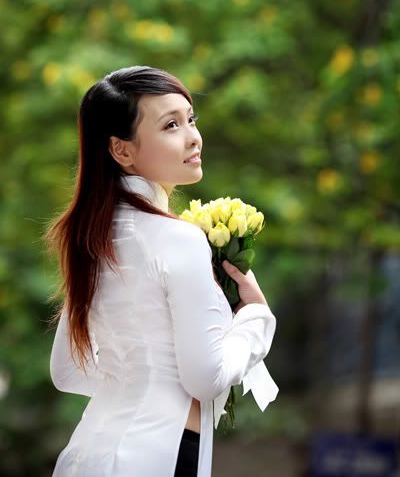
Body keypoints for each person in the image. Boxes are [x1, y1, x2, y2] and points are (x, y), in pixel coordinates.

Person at [45, 65, 278, 477]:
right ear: (122, 150)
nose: (192, 136)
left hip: (87, 455)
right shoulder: (179, 238)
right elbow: (206, 379)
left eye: (191, 119)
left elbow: (67, 371)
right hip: (158, 457)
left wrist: (136, 385)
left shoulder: (91, 237)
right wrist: (255, 318)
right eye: (171, 125)